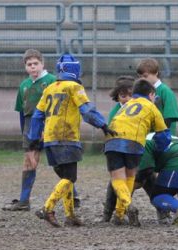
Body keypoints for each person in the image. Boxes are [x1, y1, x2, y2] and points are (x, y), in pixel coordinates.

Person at [27, 53, 116, 227]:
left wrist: (33, 138)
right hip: (66, 137)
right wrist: (103, 125)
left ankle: (70, 215)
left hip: (50, 139)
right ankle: (48, 208)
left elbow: (37, 115)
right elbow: (86, 110)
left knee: (65, 177)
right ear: (77, 71)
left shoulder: (49, 88)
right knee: (70, 177)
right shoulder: (74, 87)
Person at [104, 79, 172, 226]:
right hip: (134, 143)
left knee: (117, 179)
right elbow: (164, 135)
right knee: (129, 177)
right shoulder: (152, 107)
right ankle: (121, 212)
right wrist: (159, 150)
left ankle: (123, 211)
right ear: (151, 94)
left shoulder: (124, 106)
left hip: (112, 141)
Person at [3, 49, 56, 212]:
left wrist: (48, 126)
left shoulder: (52, 81)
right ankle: (24, 200)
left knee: (59, 161)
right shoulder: (24, 85)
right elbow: (21, 111)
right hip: (29, 125)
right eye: (29, 64)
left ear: (42, 64)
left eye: (35, 64)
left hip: (49, 124)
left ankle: (73, 195)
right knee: (29, 162)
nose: (33, 67)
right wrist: (24, 132)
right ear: (25, 67)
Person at [136, 58, 178, 136]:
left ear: (156, 73)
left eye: (145, 76)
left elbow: (169, 118)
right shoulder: (141, 92)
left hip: (164, 137)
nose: (142, 79)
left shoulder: (166, 91)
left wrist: (160, 134)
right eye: (140, 77)